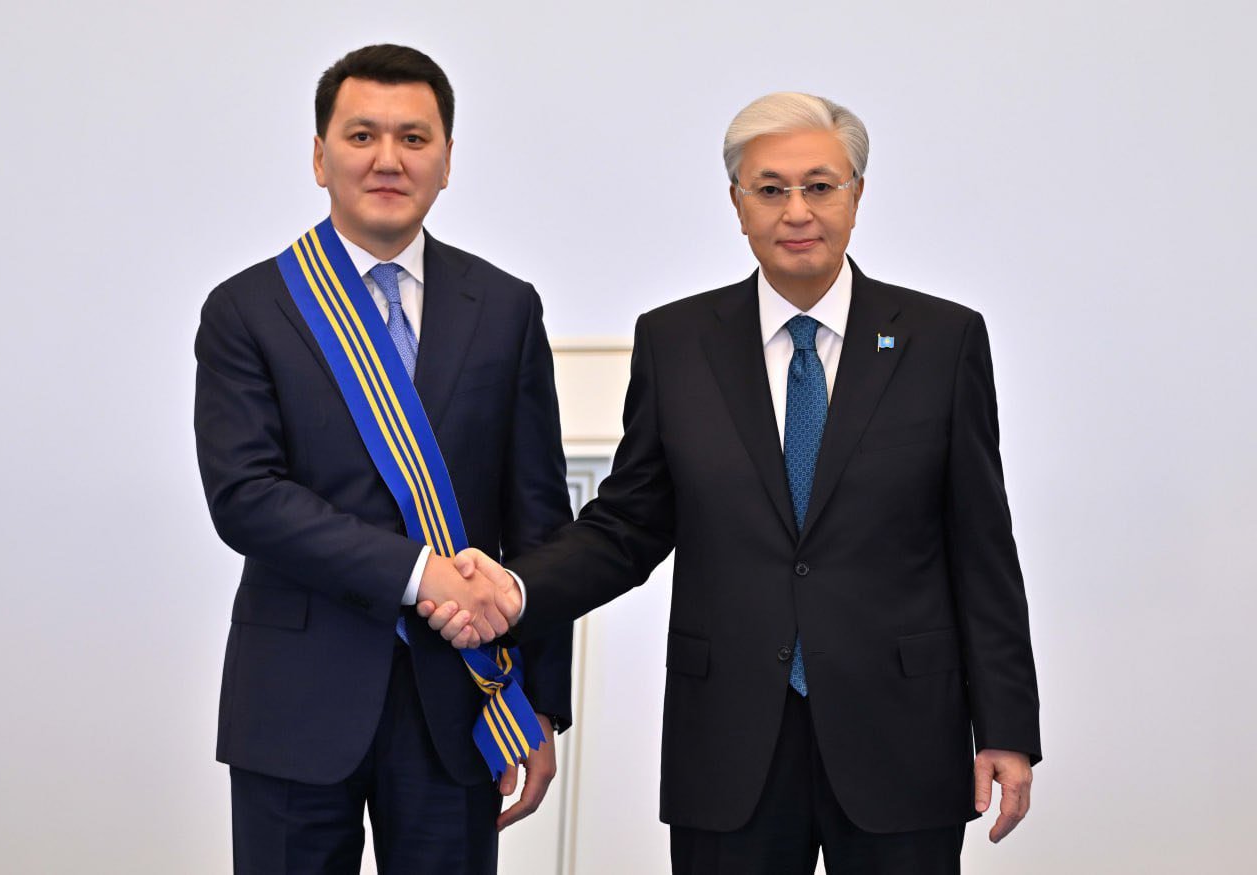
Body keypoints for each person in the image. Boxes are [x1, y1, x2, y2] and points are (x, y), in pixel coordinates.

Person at [426, 92, 1041, 873]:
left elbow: (981, 547)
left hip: (902, 732)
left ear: (856, 195)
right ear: (737, 203)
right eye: (771, 188)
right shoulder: (677, 340)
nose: (797, 210)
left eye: (820, 186)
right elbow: (628, 525)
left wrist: (1006, 725)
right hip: (728, 741)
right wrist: (515, 589)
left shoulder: (943, 340)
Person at [193, 44, 572, 874]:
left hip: (462, 700)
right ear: (319, 156)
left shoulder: (505, 307)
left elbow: (540, 515)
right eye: (362, 136)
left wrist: (543, 702)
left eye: (414, 138)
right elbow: (247, 496)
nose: (388, 159)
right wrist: (418, 572)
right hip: (295, 698)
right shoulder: (247, 309)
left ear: (447, 160)